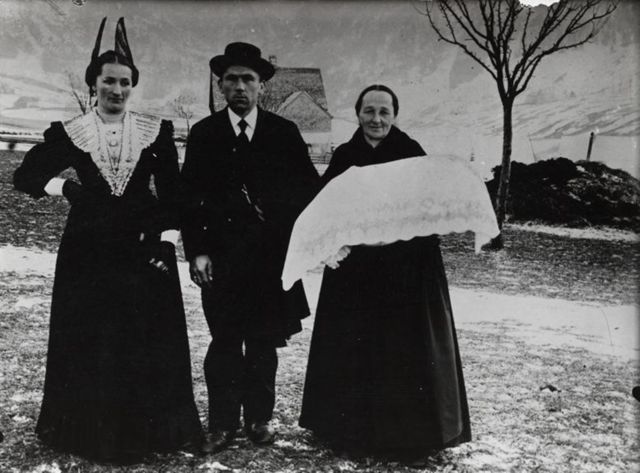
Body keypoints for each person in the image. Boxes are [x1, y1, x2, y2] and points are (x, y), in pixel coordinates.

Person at [13, 18, 202, 463]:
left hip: (141, 245)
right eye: (109, 81)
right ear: (93, 84)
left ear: (133, 86)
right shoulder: (72, 132)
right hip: (88, 246)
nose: (117, 90)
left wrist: (166, 242)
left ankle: (149, 430)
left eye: (124, 82)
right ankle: (89, 432)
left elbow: (173, 195)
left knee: (142, 336)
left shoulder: (155, 132)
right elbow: (25, 176)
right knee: (91, 335)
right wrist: (67, 188)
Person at [299, 84, 472, 466]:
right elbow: (325, 207)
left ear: (394, 115)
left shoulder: (411, 152)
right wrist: (336, 243)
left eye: (384, 112)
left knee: (404, 350)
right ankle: (349, 431)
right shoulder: (345, 156)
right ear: (357, 114)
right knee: (354, 348)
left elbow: (430, 207)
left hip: (405, 271)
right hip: (356, 273)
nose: (376, 119)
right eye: (369, 111)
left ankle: (409, 437)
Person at [181, 42, 319, 453]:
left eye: (248, 79)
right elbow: (189, 199)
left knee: (262, 342)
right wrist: (197, 251)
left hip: (269, 259)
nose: (240, 87)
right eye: (232, 79)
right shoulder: (205, 134)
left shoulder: (284, 133)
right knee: (224, 341)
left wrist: (278, 212)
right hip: (220, 259)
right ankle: (221, 425)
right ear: (221, 86)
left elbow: (307, 191)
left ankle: (259, 419)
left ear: (262, 86)